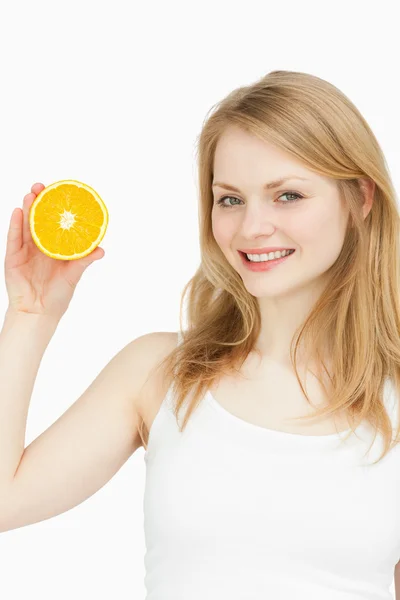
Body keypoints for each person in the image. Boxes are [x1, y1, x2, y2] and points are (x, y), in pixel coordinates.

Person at [1, 69, 400, 599]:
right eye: (230, 199)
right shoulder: (159, 372)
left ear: (361, 199)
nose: (252, 227)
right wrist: (31, 316)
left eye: (287, 196)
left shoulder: (391, 396)